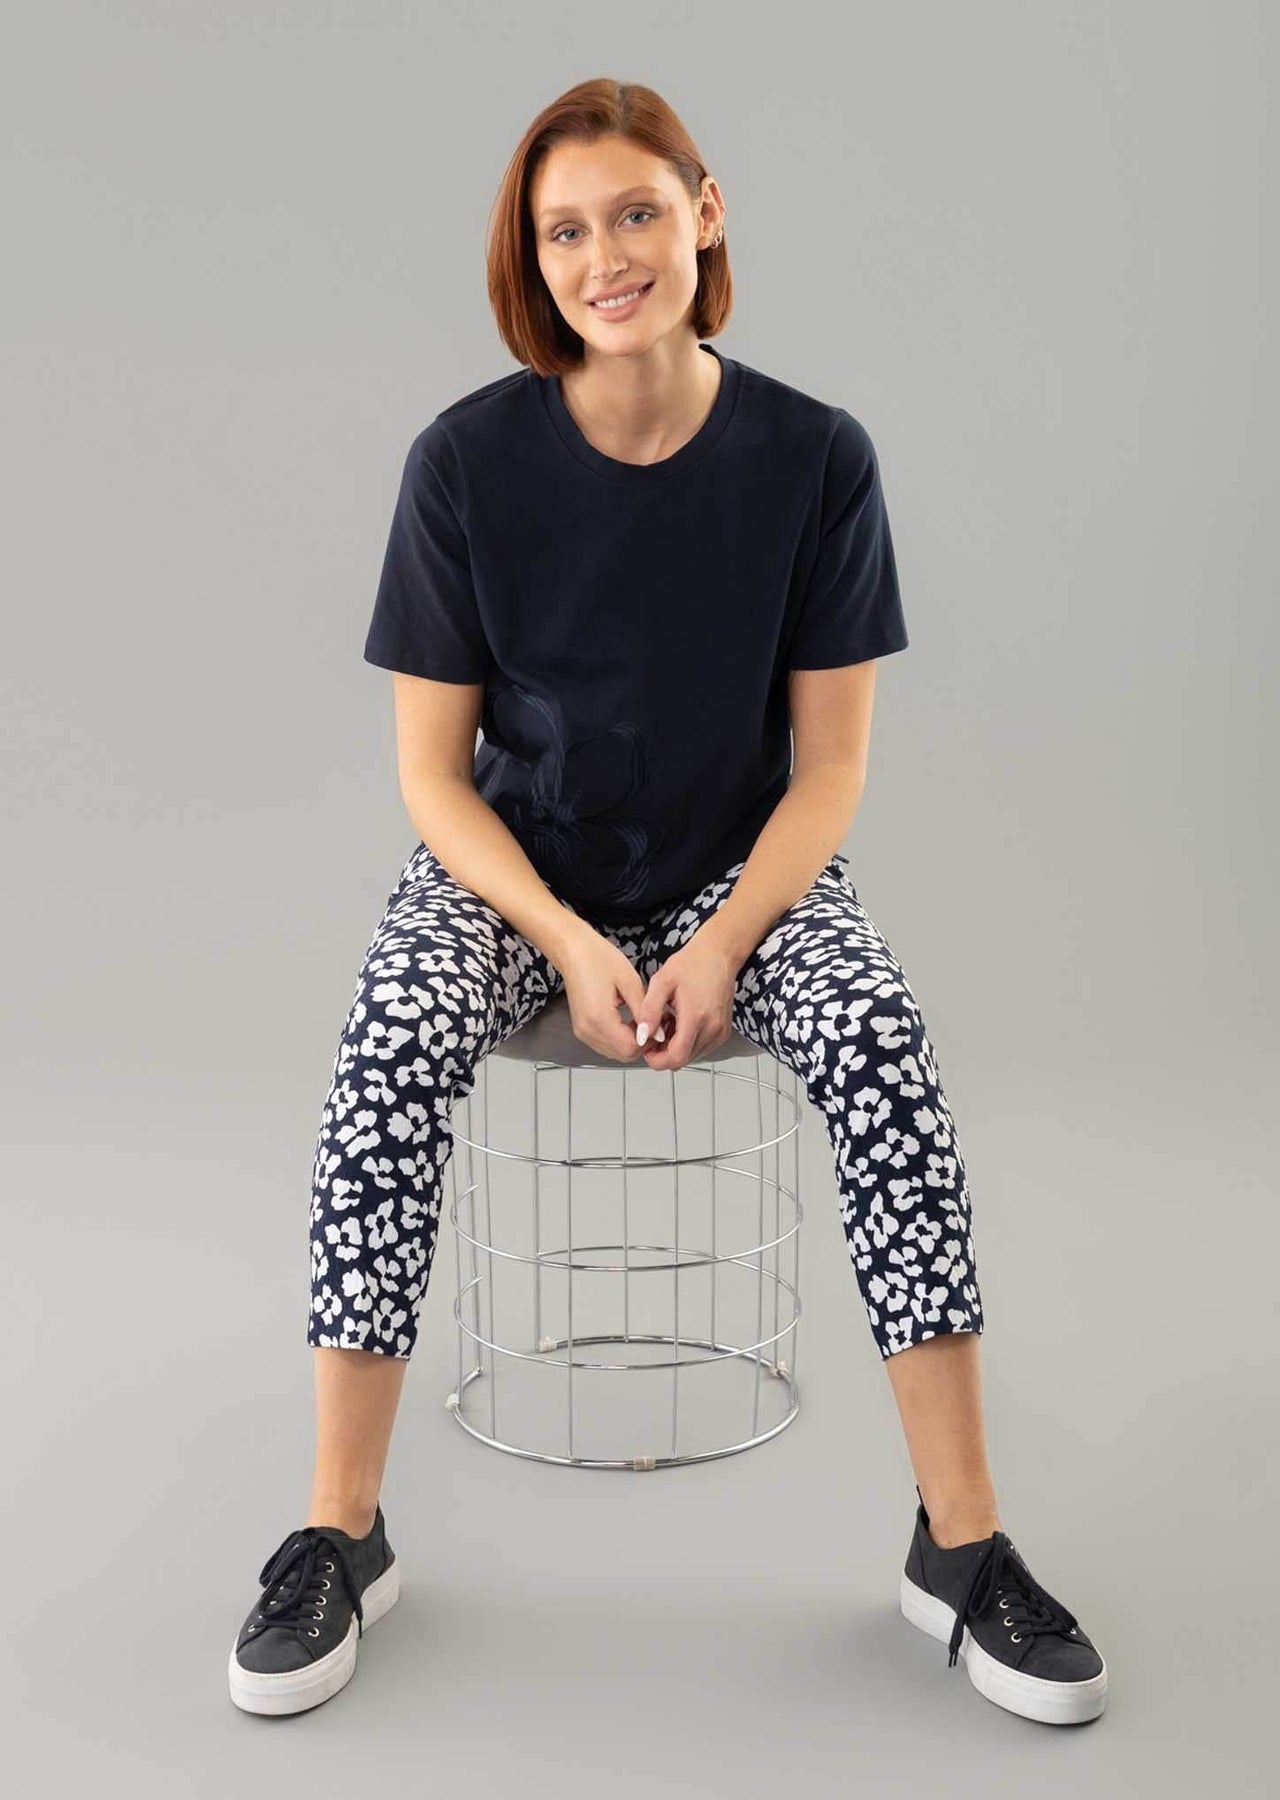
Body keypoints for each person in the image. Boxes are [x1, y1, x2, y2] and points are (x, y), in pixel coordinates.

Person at [228, 77, 1107, 1727]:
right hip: (520, 873)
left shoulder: (815, 458)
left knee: (884, 1050)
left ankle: (962, 1544)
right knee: (387, 1048)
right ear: (532, 258)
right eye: (564, 231)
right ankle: (338, 1532)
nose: (605, 257)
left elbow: (829, 770)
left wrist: (722, 939)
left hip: (741, 870)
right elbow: (431, 778)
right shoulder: (463, 465)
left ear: (705, 213)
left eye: (635, 212)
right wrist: (564, 937)